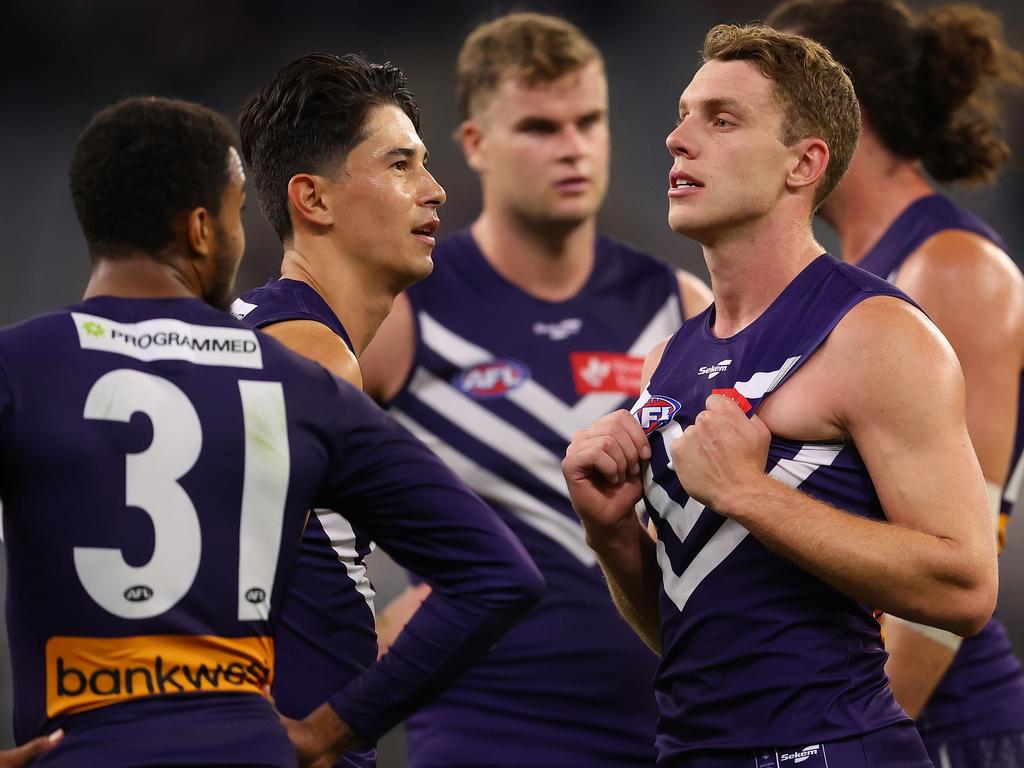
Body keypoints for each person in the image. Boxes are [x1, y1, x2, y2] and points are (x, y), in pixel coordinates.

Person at [0, 95, 542, 767]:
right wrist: (331, 730)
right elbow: (501, 574)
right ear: (201, 230)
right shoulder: (300, 381)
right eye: (236, 216)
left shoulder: (20, 365)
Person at [562, 23, 998, 768]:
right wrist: (612, 539)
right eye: (683, 113)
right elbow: (694, 637)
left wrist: (751, 495)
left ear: (805, 163)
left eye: (721, 119)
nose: (677, 138)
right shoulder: (668, 357)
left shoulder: (875, 332)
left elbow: (964, 586)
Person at [358, 12, 712, 768]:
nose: (573, 147)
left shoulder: (678, 309)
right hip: (481, 733)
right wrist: (355, 622)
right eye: (541, 127)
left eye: (589, 121)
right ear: (475, 145)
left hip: (669, 732)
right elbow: (282, 496)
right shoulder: (405, 314)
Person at [763, 1, 1024, 764]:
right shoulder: (850, 273)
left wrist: (865, 742)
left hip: (934, 726)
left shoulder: (951, 270)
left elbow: (958, 566)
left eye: (768, 109)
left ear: (845, 110)